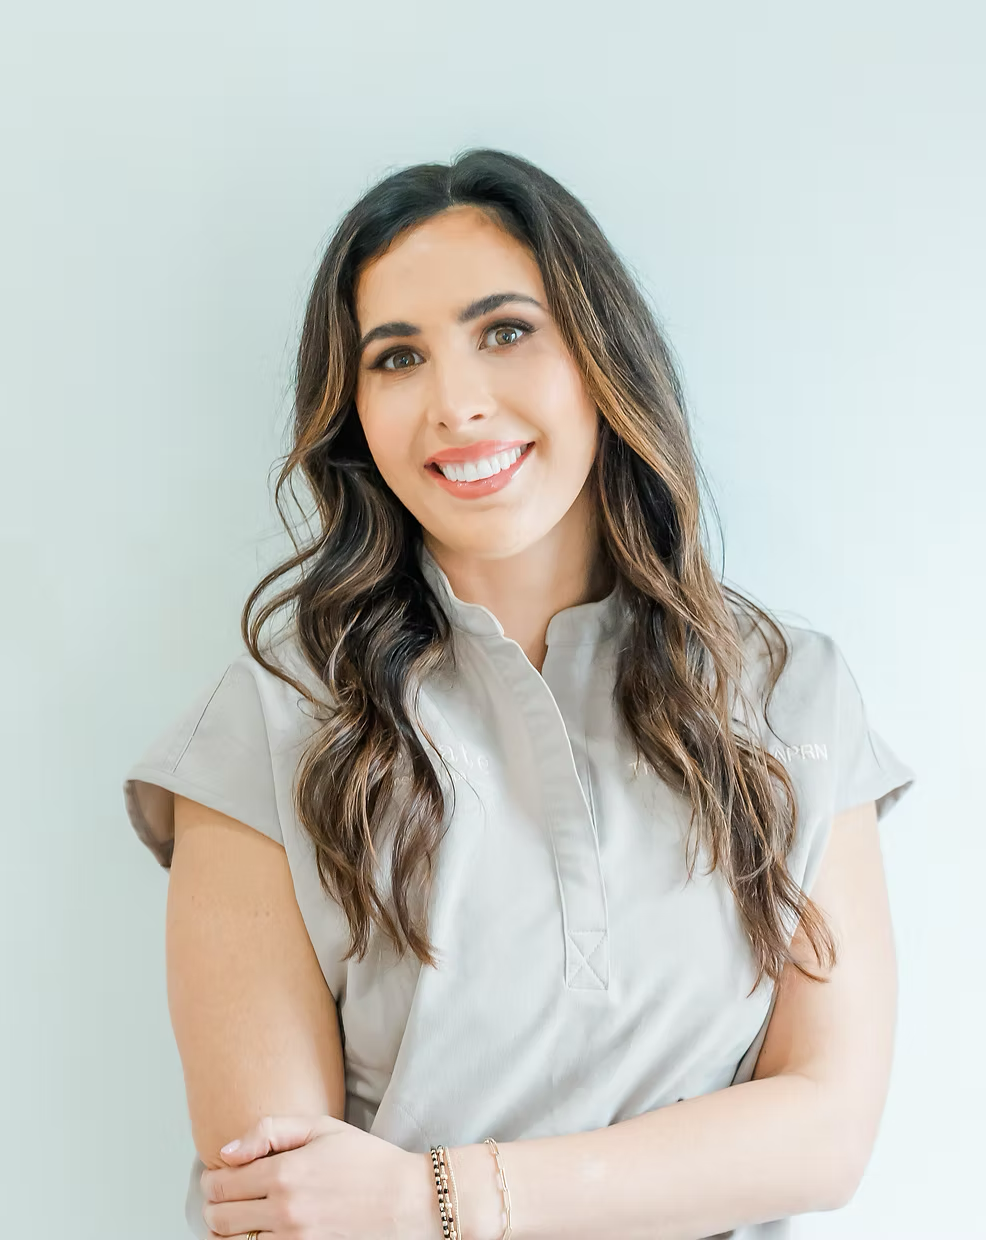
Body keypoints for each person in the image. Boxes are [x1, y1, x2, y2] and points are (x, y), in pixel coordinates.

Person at [122, 148, 915, 1240]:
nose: (456, 404)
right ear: (354, 413)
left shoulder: (788, 695)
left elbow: (823, 1135)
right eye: (398, 357)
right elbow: (287, 1211)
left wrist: (432, 1198)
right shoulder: (267, 727)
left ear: (599, 355)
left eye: (503, 332)